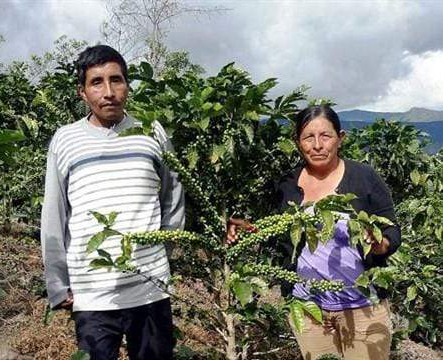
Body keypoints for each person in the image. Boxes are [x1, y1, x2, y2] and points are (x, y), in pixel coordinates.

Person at [41, 45, 184, 360]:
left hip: (149, 286)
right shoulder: (65, 140)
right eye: (97, 82)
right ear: (82, 92)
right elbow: (54, 215)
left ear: (127, 85)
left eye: (116, 80)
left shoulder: (151, 131)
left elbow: (173, 192)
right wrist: (57, 282)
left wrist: (164, 248)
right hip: (92, 292)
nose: (108, 92)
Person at [227, 105, 401, 360]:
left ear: (340, 138)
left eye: (326, 136)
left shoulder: (364, 177)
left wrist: (380, 244)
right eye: (308, 137)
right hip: (309, 310)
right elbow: (275, 229)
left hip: (364, 309)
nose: (318, 145)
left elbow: (392, 230)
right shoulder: (287, 183)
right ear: (297, 142)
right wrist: (242, 226)